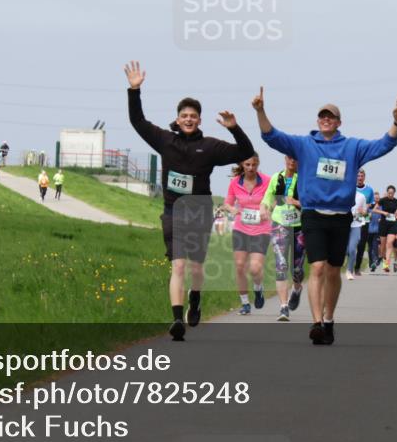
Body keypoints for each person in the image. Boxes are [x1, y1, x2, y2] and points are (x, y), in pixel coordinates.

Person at [253, 87, 397, 345]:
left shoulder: (352, 147)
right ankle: (316, 323)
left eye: (331, 117)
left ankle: (329, 318)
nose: (326, 119)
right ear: (317, 120)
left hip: (340, 217)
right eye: (322, 116)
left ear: (339, 122)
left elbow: (384, 145)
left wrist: (396, 122)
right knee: (318, 267)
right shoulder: (304, 144)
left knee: (334, 271)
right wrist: (260, 111)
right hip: (312, 215)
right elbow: (271, 136)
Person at [125, 60, 255, 341]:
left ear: (199, 119)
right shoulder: (164, 140)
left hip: (199, 212)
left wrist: (234, 128)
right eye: (183, 115)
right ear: (177, 118)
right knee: (178, 266)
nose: (188, 119)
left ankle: (196, 297)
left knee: (196, 267)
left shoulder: (209, 146)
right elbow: (138, 121)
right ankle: (176, 319)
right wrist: (134, 91)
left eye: (193, 115)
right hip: (173, 211)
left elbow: (246, 151)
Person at [221, 155, 272, 316]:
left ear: (258, 164)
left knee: (255, 268)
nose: (251, 168)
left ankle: (258, 289)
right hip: (241, 228)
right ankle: (244, 303)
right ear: (242, 165)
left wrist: (267, 208)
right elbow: (227, 203)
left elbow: (275, 200)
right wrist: (232, 209)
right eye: (247, 164)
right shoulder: (235, 182)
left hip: (261, 229)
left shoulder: (267, 181)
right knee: (240, 266)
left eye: (254, 164)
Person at [261, 155, 304, 321]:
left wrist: (296, 202)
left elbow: (312, 201)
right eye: (289, 158)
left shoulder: (305, 178)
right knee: (281, 265)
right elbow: (267, 197)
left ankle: (297, 289)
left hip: (300, 225)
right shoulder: (276, 177)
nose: (292, 161)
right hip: (279, 224)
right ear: (285, 159)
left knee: (298, 270)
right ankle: (283, 307)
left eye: (295, 158)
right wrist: (264, 207)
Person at [374, 185, 397, 273]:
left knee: (389, 243)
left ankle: (386, 264)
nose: (390, 194)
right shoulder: (383, 200)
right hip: (383, 224)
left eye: (392, 193)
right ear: (387, 192)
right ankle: (382, 257)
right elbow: (374, 210)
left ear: (394, 193)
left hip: (393, 224)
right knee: (383, 245)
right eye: (389, 193)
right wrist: (383, 212)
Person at [345, 186, 369, 281]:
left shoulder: (361, 197)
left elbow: (365, 214)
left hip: (356, 225)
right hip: (343, 225)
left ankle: (349, 271)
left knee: (352, 249)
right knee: (344, 250)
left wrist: (363, 212)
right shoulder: (343, 194)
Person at [353, 170, 375, 276]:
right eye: (358, 176)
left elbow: (372, 203)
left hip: (364, 218)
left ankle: (357, 267)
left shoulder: (369, 190)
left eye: (361, 176)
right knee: (351, 243)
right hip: (352, 218)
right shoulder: (351, 188)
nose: (359, 178)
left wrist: (366, 208)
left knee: (362, 244)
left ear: (364, 177)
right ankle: (349, 263)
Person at [365, 199, 382, 272]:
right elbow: (365, 218)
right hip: (368, 230)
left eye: (377, 200)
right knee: (369, 248)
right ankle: (371, 261)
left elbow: (384, 216)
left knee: (375, 246)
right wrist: (369, 215)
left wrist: (381, 219)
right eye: (375, 200)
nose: (376, 202)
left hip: (377, 231)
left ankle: (374, 262)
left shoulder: (381, 208)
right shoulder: (368, 208)